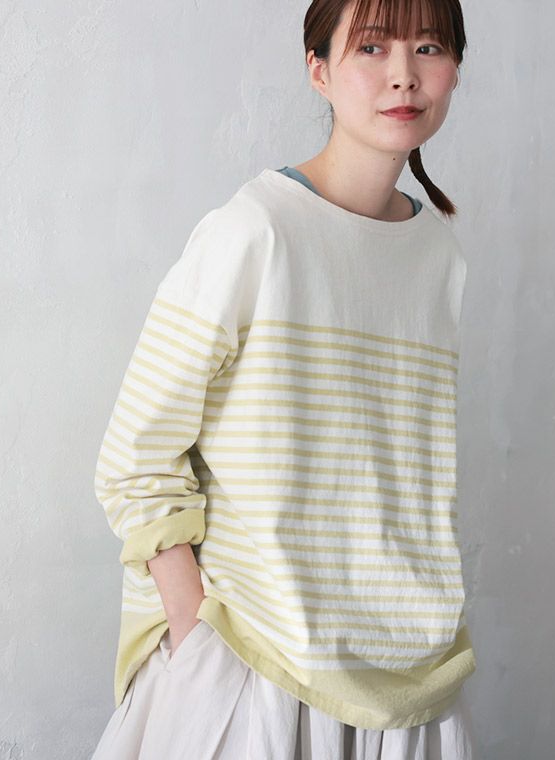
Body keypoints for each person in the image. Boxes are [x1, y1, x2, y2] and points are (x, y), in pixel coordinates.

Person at [90, 0, 479, 757]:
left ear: (456, 68)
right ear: (319, 70)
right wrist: (195, 632)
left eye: (429, 47)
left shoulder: (439, 257)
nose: (404, 74)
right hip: (253, 665)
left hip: (407, 674)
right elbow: (136, 456)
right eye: (372, 48)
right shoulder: (255, 231)